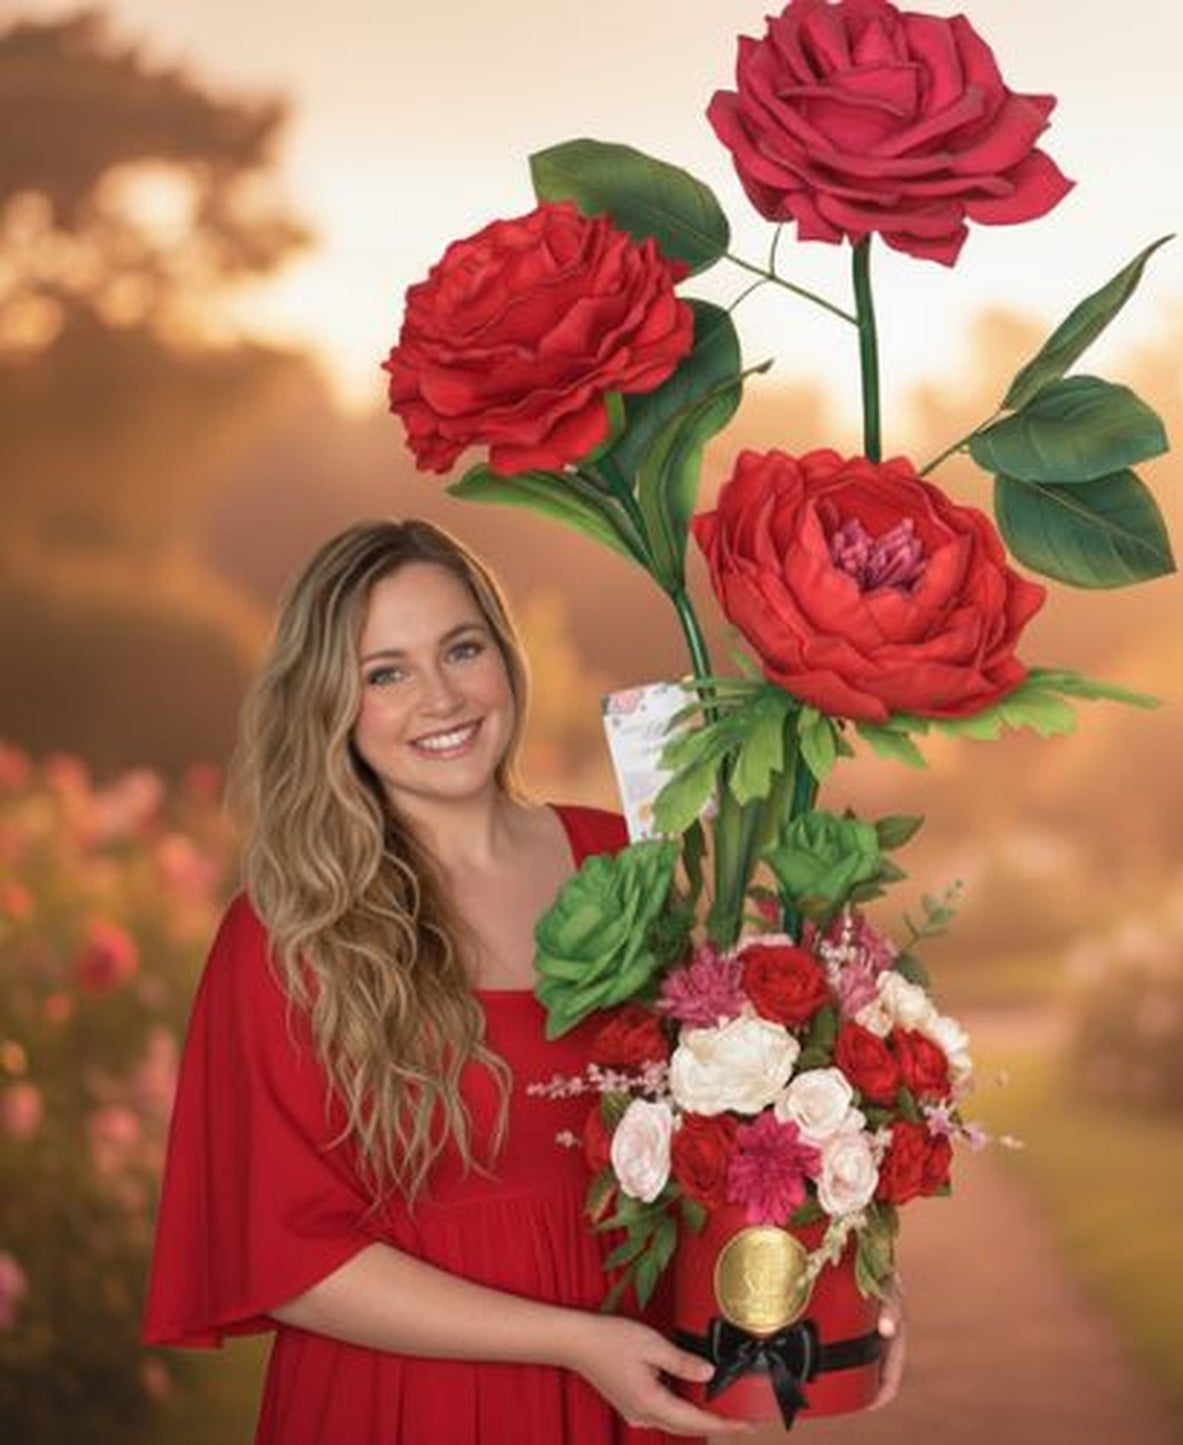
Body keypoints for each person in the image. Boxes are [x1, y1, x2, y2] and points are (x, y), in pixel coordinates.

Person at [142, 518, 904, 1443]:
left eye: (461, 649)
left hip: (632, 1393)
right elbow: (289, 1260)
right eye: (386, 672)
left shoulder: (630, 860)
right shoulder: (285, 933)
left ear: (505, 654)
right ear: (329, 703)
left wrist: (851, 1288)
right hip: (402, 1405)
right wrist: (571, 1342)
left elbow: (754, 1121)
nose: (441, 697)